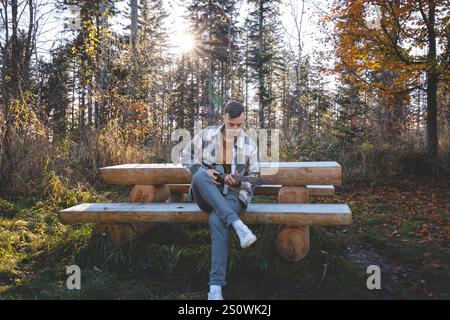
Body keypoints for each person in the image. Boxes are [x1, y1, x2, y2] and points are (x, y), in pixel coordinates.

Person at [180, 101, 260, 300]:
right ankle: (237, 224)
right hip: (207, 194)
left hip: (234, 195)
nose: (235, 130)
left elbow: (256, 177)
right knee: (199, 175)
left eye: (239, 125)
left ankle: (215, 288)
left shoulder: (249, 145)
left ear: (243, 121)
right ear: (224, 118)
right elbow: (185, 156)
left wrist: (238, 180)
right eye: (231, 125)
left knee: (217, 219)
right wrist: (203, 170)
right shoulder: (207, 135)